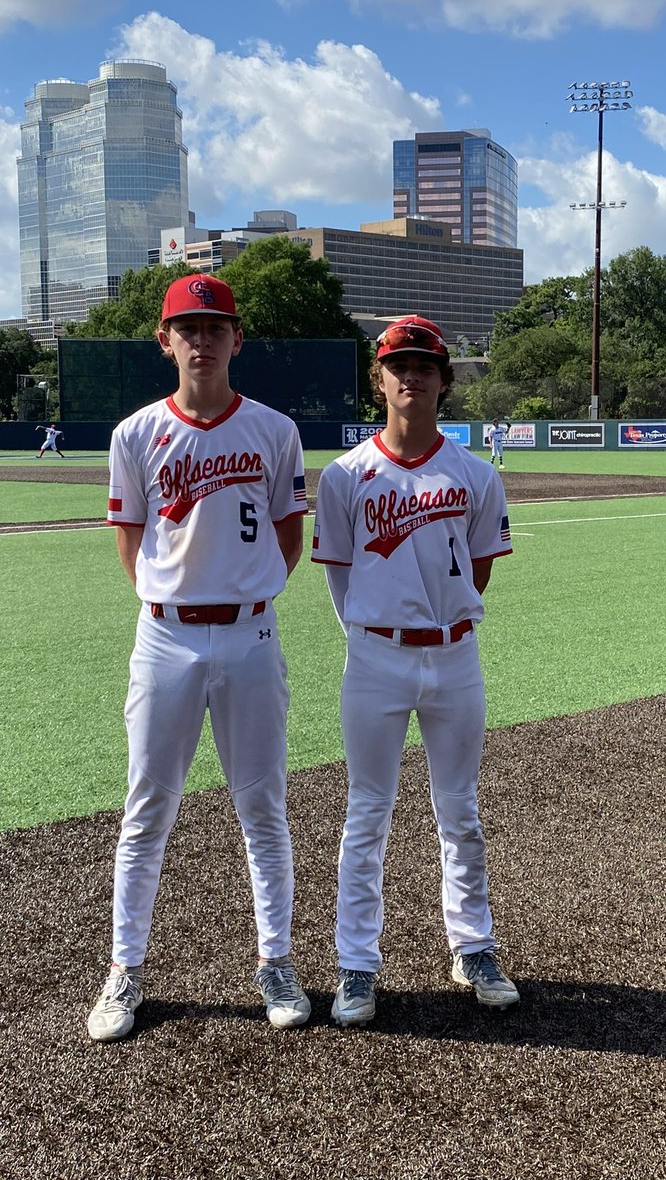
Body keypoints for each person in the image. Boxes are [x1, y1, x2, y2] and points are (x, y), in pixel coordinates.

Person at [88, 274, 310, 1042]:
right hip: (166, 636)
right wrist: (171, 599)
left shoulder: (275, 430)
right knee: (147, 809)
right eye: (189, 327)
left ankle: (276, 961)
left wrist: (248, 595)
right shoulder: (135, 434)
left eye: (217, 326)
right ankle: (125, 971)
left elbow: (291, 536)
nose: (203, 339)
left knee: (263, 807)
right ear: (166, 339)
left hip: (250, 635)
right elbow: (130, 540)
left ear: (237, 339)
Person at [311, 314, 520, 1028]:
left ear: (443, 381)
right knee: (366, 814)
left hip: (456, 654)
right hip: (375, 656)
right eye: (398, 365)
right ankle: (357, 965)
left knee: (459, 811)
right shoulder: (344, 476)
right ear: (379, 379)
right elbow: (337, 573)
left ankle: (474, 947)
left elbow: (480, 567)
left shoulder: (475, 473)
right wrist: (372, 633)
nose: (411, 376)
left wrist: (438, 624)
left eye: (424, 366)